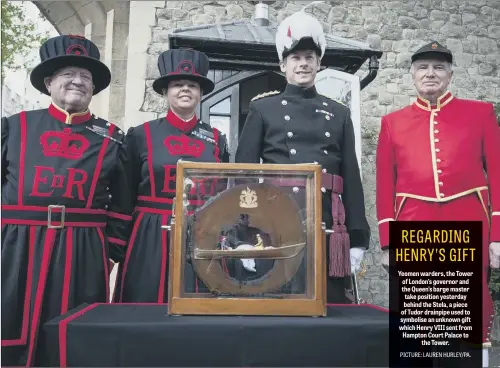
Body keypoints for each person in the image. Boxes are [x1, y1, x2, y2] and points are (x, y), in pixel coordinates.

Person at [1, 35, 131, 366]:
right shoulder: (13, 128)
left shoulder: (114, 138)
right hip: (15, 244)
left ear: (93, 87)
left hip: (83, 247)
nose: (77, 81)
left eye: (85, 76)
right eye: (68, 73)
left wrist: (110, 253)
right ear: (49, 82)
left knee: (73, 330)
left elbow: (123, 203)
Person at [376, 41, 500, 366]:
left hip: (470, 225)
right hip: (415, 229)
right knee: (417, 325)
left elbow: (498, 175)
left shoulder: (481, 112)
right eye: (423, 67)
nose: (430, 73)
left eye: (439, 67)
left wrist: (498, 237)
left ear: (450, 74)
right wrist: (388, 242)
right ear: (412, 74)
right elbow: (385, 185)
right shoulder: (392, 122)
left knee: (466, 324)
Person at [235, 10, 370, 303]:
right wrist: (241, 234)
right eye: (296, 58)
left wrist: (357, 238)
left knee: (329, 304)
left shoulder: (338, 112)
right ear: (283, 64)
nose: (303, 64)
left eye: (310, 57)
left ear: (319, 63)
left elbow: (351, 177)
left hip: (328, 218)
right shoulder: (263, 109)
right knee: (278, 300)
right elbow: (242, 178)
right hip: (277, 217)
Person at [114, 49, 230, 303]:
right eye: (178, 85)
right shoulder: (140, 136)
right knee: (146, 301)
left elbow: (224, 193)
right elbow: (123, 192)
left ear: (200, 93)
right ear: (166, 92)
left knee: (199, 303)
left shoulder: (216, 140)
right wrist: (116, 243)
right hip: (149, 231)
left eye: (192, 85)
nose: (185, 90)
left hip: (201, 231)